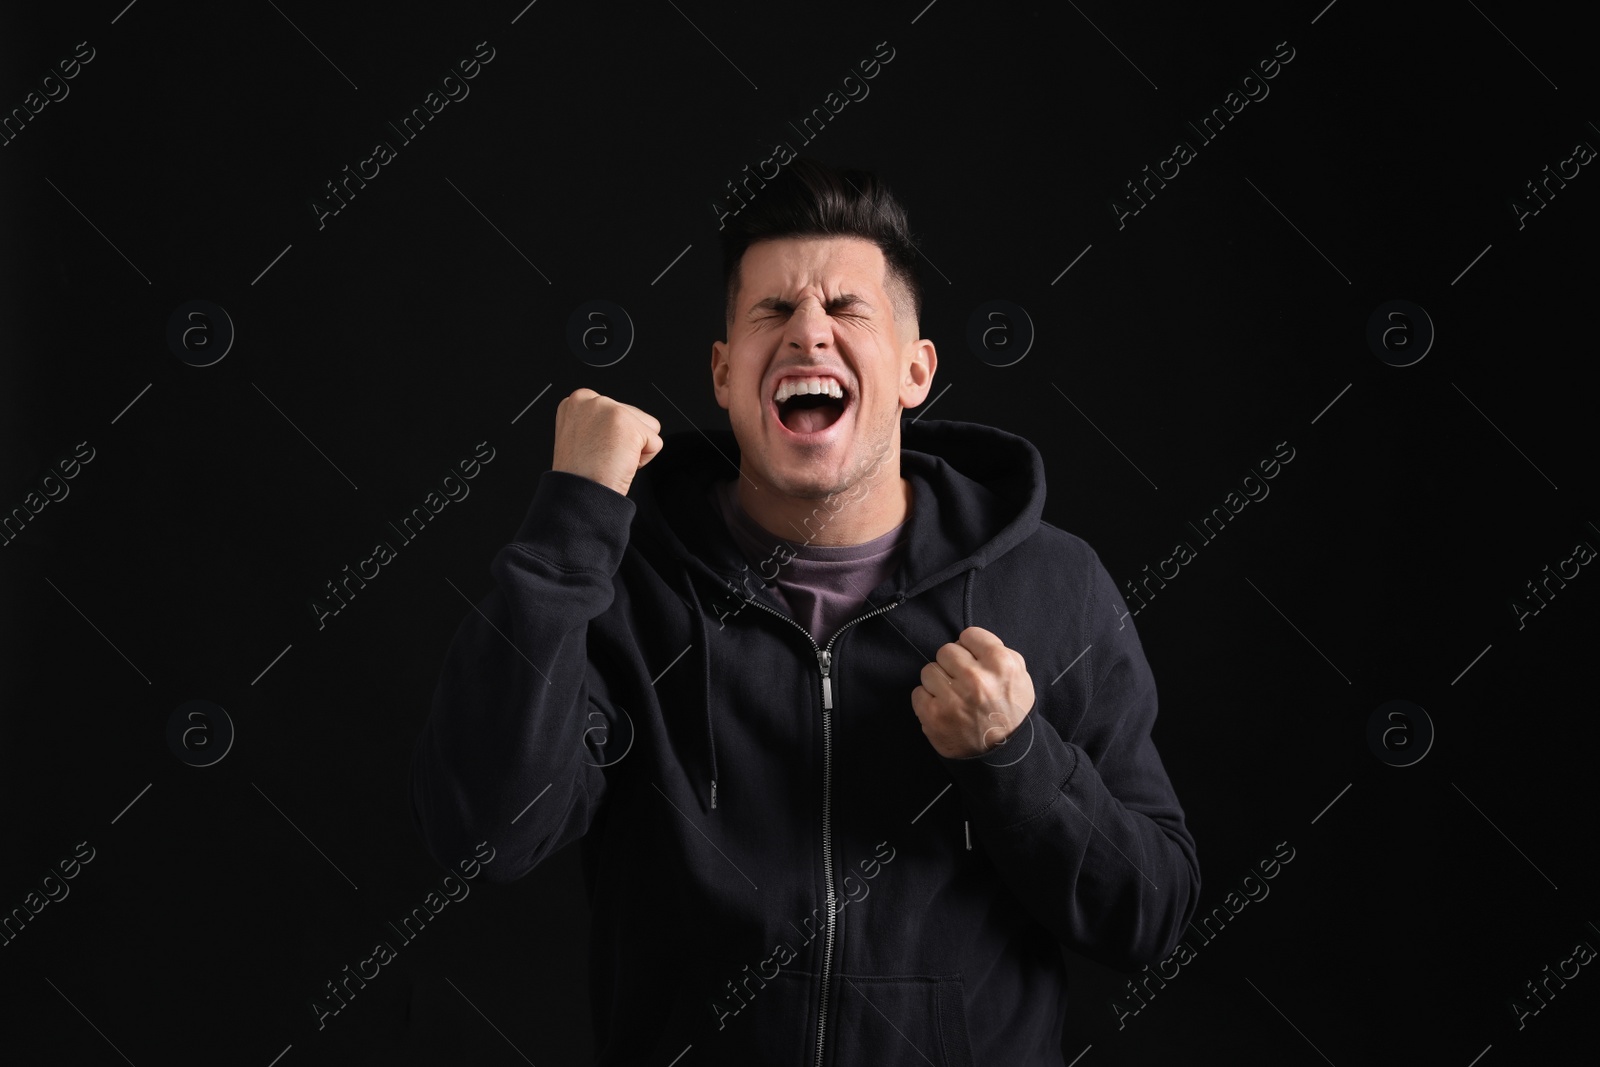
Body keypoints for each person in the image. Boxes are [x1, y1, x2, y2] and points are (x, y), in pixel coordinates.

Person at [409, 156, 1200, 1065]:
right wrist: (570, 522)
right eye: (772, 312)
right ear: (723, 370)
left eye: (846, 308)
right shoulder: (623, 581)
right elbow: (487, 834)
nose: (808, 335)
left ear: (915, 370)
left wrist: (1018, 758)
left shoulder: (1053, 584)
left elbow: (1152, 913)